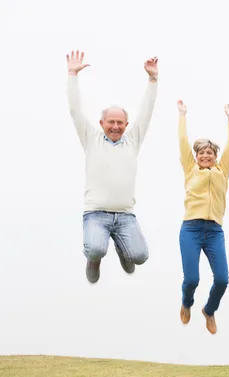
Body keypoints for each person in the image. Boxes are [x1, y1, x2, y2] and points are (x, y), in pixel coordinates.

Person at [66, 50, 158, 284]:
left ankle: (122, 247)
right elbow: (75, 110)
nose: (115, 126)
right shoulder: (92, 139)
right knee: (96, 248)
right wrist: (72, 75)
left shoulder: (132, 140)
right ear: (102, 124)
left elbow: (146, 112)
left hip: (125, 216)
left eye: (120, 123)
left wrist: (152, 80)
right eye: (111, 122)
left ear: (126, 125)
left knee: (140, 257)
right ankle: (93, 259)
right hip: (96, 214)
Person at [176, 100, 229, 335]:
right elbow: (182, 142)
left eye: (209, 152)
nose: (205, 155)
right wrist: (182, 115)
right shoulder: (190, 169)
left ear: (215, 156)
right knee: (192, 279)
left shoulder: (222, 171)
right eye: (201, 152)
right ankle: (187, 303)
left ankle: (209, 310)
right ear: (196, 156)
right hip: (191, 229)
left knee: (222, 279)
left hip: (214, 231)